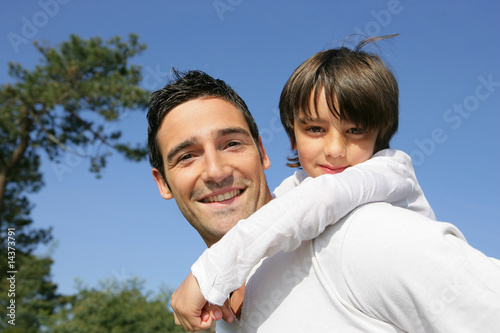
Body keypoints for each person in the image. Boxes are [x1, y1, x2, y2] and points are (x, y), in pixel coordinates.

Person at [148, 39, 500, 332]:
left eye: (232, 143)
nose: (215, 170)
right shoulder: (224, 301)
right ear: (161, 181)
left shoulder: (363, 229)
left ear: (263, 152)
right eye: (187, 156)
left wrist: (208, 271)